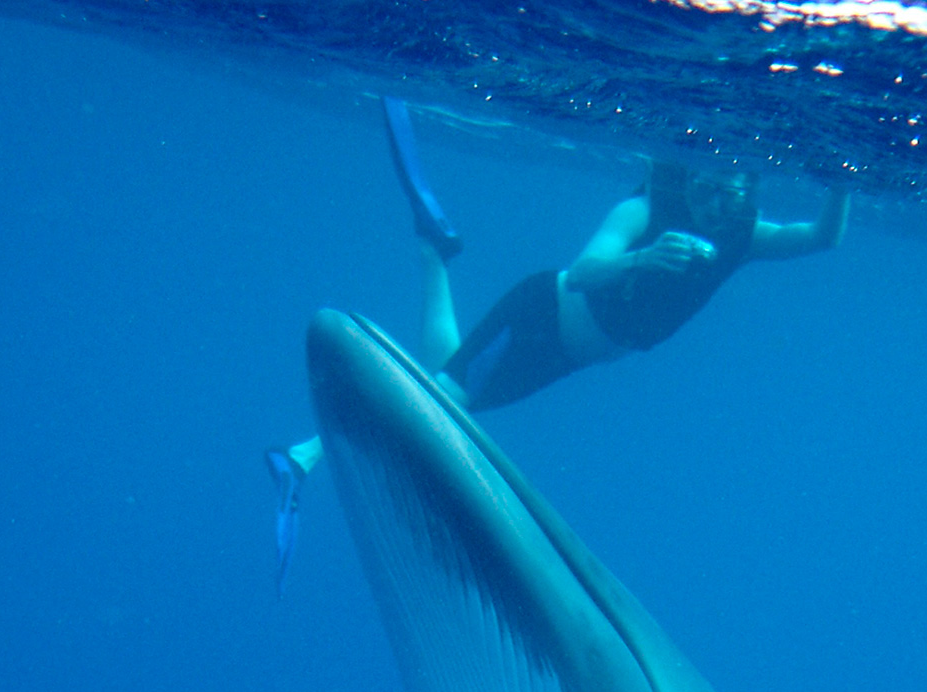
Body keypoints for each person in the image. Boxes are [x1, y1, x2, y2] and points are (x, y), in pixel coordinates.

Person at [266, 97, 849, 592]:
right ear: (685, 177)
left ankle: (434, 251)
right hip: (538, 317)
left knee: (448, 378)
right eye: (702, 186)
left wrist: (842, 173)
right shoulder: (642, 209)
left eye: (726, 194)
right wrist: (645, 256)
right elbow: (581, 273)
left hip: (564, 358)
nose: (710, 204)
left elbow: (822, 238)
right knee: (442, 402)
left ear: (747, 194)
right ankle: (303, 456)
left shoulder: (744, 238)